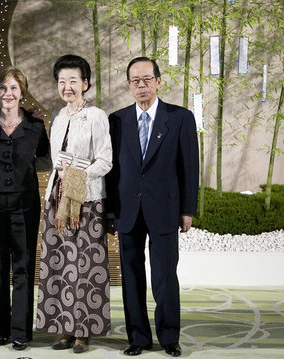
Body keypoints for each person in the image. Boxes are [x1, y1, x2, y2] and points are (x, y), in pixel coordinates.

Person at [105, 57, 199, 357]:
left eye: (147, 79)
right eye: (135, 80)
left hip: (165, 210)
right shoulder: (116, 120)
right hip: (127, 210)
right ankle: (138, 338)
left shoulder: (180, 118)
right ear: (129, 85)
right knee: (131, 278)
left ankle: (170, 336)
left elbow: (189, 167)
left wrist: (188, 209)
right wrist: (110, 211)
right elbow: (112, 171)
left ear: (158, 81)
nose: (141, 85)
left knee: (164, 277)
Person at [36, 54, 113, 354]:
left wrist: (78, 176)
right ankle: (65, 329)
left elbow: (106, 160)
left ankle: (84, 332)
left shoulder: (96, 116)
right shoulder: (57, 117)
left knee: (85, 266)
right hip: (57, 201)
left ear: (85, 83)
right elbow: (54, 161)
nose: (67, 87)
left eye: (73, 81)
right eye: (62, 81)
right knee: (60, 266)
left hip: (87, 201)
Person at [0, 66, 49, 351]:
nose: (8, 94)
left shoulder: (35, 126)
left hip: (25, 205)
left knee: (23, 268)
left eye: (14, 89)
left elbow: (45, 158)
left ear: (22, 93)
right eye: (3, 88)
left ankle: (20, 331)